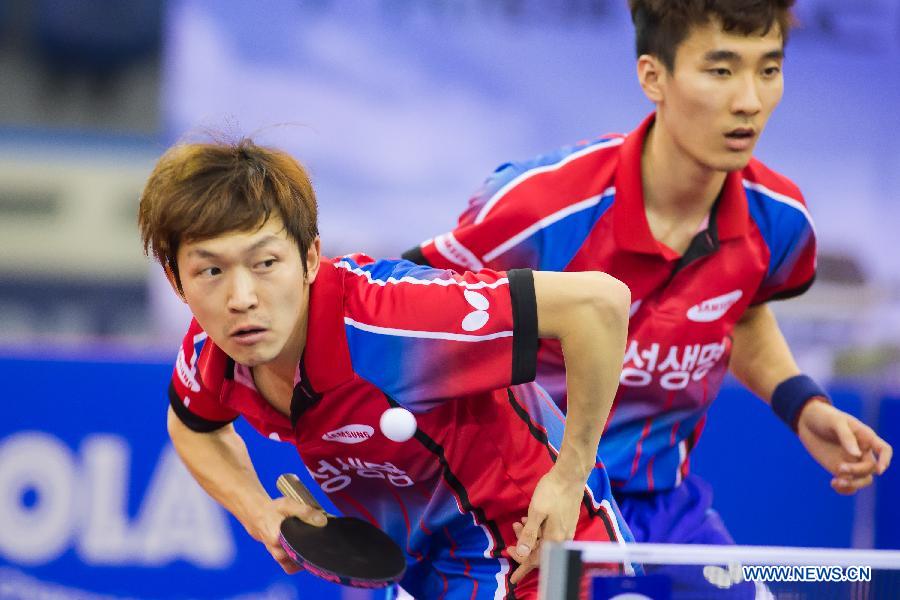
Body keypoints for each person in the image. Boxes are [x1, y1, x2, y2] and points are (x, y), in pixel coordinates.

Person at [402, 0, 892, 557]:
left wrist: (804, 406)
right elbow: (393, 314)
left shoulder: (779, 220)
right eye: (721, 70)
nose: (750, 100)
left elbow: (742, 312)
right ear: (653, 76)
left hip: (666, 510)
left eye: (769, 70)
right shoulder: (541, 209)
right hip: (518, 511)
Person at [138, 139, 634, 599]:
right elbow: (193, 426)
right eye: (211, 271)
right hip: (424, 575)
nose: (241, 299)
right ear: (177, 281)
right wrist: (263, 516)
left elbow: (599, 305)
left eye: (265, 263)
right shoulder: (212, 347)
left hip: (539, 556)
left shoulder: (395, 320)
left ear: (310, 258)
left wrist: (570, 478)